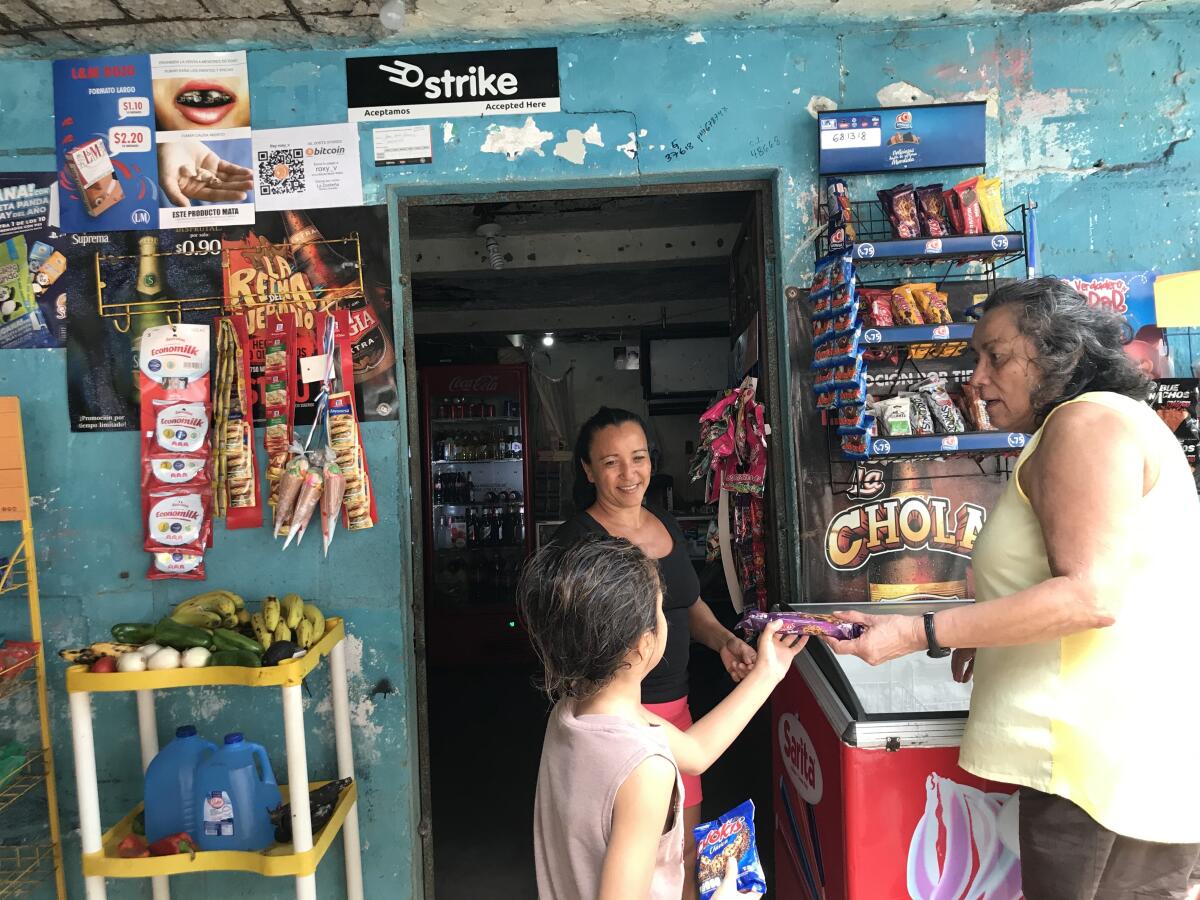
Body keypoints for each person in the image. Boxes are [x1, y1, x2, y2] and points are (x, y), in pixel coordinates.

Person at [825, 278, 1200, 899]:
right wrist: (992, 629)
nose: (975, 376)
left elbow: (1090, 596)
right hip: (1133, 758)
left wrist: (920, 633)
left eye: (995, 356)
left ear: (1064, 357)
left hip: (1094, 770)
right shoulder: (1121, 422)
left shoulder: (1083, 427)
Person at [520, 535, 805, 900]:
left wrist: (769, 671)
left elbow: (696, 752)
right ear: (644, 644)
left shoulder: (571, 712)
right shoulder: (644, 769)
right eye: (661, 610)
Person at [553, 406, 757, 897]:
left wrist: (724, 639)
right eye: (611, 463)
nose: (629, 474)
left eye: (638, 457)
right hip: (623, 721)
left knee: (686, 852)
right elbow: (569, 649)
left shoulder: (662, 523)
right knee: (632, 861)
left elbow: (688, 604)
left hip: (679, 709)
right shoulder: (578, 542)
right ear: (587, 469)